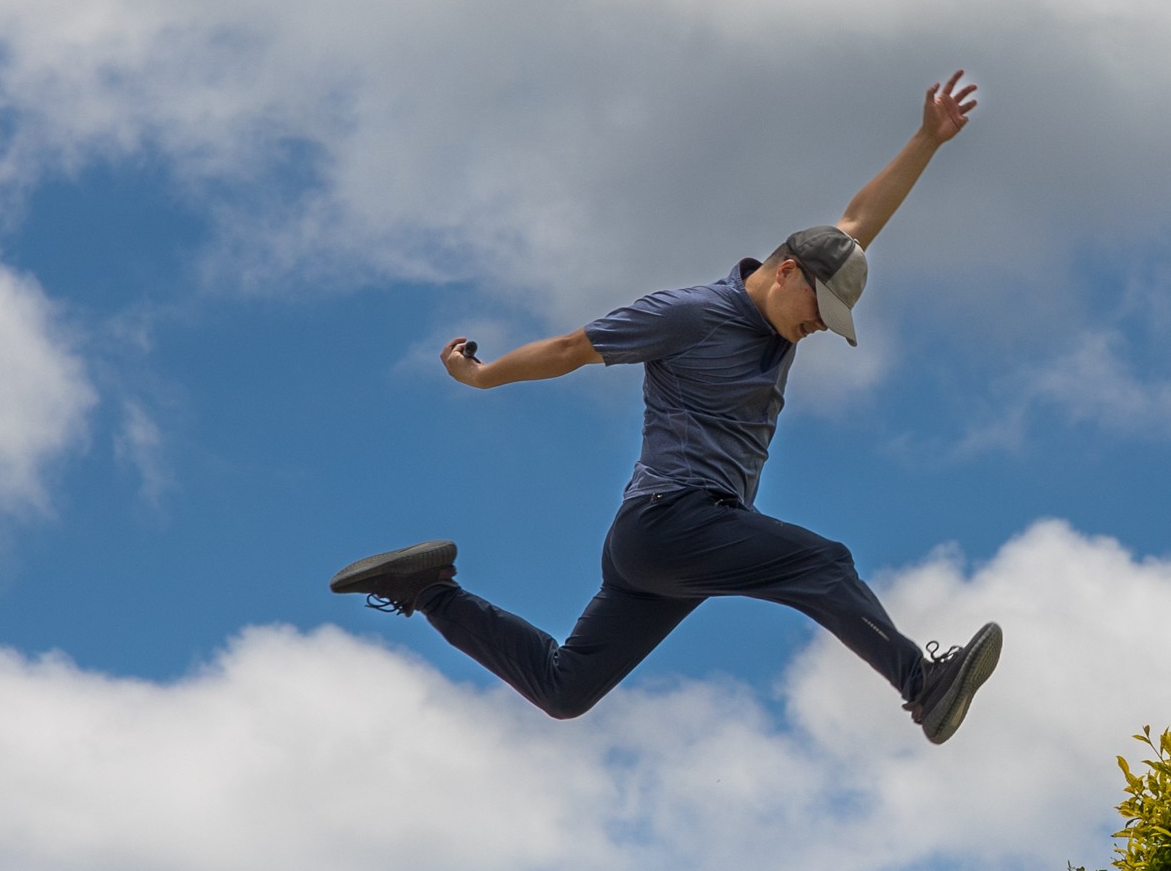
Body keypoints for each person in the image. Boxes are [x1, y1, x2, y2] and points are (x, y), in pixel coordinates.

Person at [330, 70, 1006, 744]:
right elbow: (571, 348)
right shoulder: (687, 315)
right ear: (787, 272)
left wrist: (927, 139)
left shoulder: (792, 298)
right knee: (822, 564)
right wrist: (481, 378)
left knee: (565, 688)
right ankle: (923, 684)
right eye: (819, 310)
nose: (821, 327)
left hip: (663, 549)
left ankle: (425, 588)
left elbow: (858, 222)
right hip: (672, 521)